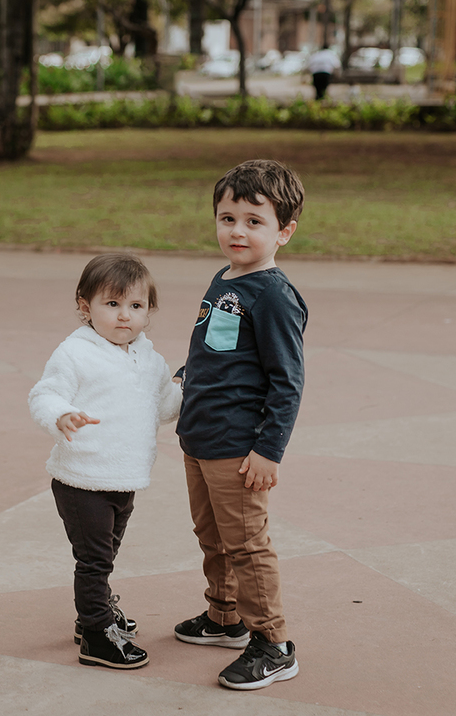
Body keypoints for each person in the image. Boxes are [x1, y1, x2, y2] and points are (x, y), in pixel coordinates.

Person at [172, 159, 307, 691]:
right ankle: (224, 617)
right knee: (213, 535)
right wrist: (183, 380)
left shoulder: (273, 295)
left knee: (247, 545)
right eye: (228, 218)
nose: (237, 231)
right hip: (200, 437)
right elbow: (212, 347)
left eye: (254, 221)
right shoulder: (225, 277)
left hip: (238, 447)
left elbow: (287, 379)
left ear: (284, 231)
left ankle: (272, 644)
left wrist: (269, 450)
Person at [28, 253, 183, 670]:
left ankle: (91, 615)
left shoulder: (149, 359)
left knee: (105, 555)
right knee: (94, 561)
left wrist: (188, 388)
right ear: (85, 307)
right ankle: (97, 635)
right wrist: (61, 414)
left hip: (124, 478)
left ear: (148, 311)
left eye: (135, 306)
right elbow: (45, 393)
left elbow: (165, 405)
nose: (123, 317)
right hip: (82, 479)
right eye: (111, 305)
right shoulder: (76, 353)